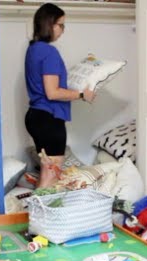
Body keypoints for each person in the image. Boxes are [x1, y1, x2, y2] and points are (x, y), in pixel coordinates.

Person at [24, 3, 96, 188]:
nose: (63, 30)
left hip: (35, 116)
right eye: (61, 25)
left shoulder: (33, 49)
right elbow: (53, 92)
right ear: (49, 24)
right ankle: (43, 207)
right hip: (49, 119)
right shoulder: (49, 52)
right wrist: (82, 94)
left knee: (46, 173)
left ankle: (37, 205)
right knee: (51, 177)